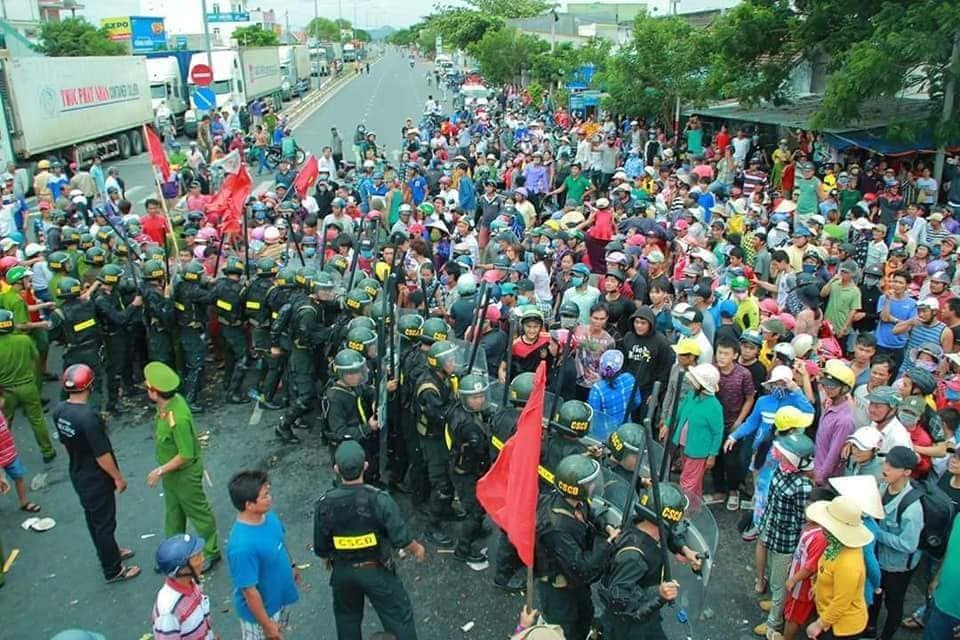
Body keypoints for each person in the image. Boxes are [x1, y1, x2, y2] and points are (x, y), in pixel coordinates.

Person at [313, 440, 425, 640]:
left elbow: (321, 548)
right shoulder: (379, 499)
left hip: (343, 572)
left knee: (347, 618)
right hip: (376, 570)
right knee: (399, 617)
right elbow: (401, 538)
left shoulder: (324, 504)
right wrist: (417, 549)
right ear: (365, 465)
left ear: (336, 469)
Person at [53, 364, 139, 582]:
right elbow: (102, 455)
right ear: (90, 386)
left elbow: (65, 444)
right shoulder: (89, 418)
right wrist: (118, 477)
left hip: (79, 473)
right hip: (96, 478)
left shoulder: (60, 410)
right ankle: (114, 570)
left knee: (95, 521)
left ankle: (109, 552)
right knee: (104, 524)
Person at [144, 361, 220, 572]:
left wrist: (159, 471)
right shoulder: (168, 405)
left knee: (199, 514)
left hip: (183, 475)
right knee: (174, 514)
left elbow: (186, 455)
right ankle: (172, 554)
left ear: (154, 393)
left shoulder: (177, 416)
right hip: (172, 475)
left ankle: (211, 551)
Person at [535, 454, 619, 640]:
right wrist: (607, 545)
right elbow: (581, 568)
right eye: (590, 483)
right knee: (565, 631)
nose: (594, 486)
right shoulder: (557, 527)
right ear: (577, 489)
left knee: (585, 616)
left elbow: (590, 515)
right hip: (559, 590)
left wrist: (604, 525)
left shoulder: (574, 501)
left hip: (574, 585)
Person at [597, 483, 689, 640]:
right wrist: (659, 594)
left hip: (646, 616)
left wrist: (685, 550)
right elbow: (619, 599)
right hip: (629, 628)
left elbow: (667, 532)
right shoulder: (634, 557)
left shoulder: (637, 523)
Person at [754, 431, 815, 639]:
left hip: (787, 541)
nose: (778, 455)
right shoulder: (781, 470)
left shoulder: (803, 486)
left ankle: (774, 622)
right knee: (774, 575)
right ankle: (776, 605)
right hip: (771, 531)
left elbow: (803, 520)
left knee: (780, 582)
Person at [226, 470, 300, 640]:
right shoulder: (241, 547)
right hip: (261, 615)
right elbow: (249, 591)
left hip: (280, 599)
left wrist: (292, 565)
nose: (270, 498)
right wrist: (267, 625)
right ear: (249, 505)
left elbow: (280, 542)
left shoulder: (268, 517)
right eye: (265, 495)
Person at [866, 445, 924, 640]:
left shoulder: (912, 508)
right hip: (879, 558)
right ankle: (871, 627)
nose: (886, 467)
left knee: (894, 603)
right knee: (875, 594)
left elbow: (909, 545)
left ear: (907, 472)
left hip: (898, 567)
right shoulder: (884, 486)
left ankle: (887, 635)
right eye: (887, 462)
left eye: (893, 466)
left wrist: (878, 534)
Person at [804, 495, 873, 639]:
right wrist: (817, 586)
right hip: (827, 613)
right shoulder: (836, 546)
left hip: (843, 627)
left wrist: (819, 624)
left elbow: (842, 601)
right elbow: (826, 569)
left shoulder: (849, 562)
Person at [672, 363, 723, 499]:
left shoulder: (714, 406)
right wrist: (666, 423)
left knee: (687, 482)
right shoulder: (692, 395)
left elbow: (718, 432)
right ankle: (694, 509)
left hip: (698, 451)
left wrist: (712, 454)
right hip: (685, 444)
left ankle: (682, 511)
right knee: (693, 481)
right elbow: (680, 411)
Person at [151, 534, 215, 640]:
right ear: (181, 570)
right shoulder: (169, 613)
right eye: (197, 557)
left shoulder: (191, 583)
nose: (202, 559)